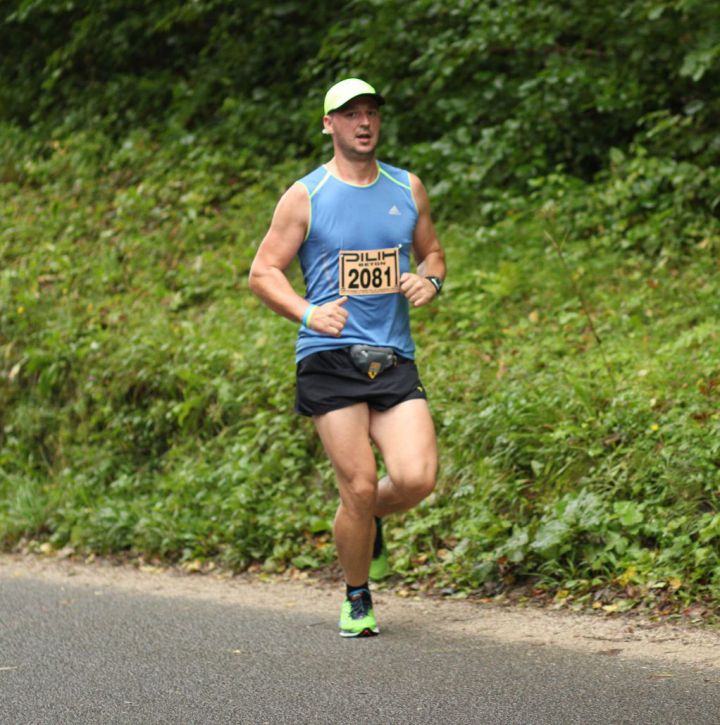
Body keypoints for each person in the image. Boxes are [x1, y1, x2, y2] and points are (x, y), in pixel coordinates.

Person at [248, 78, 446, 637]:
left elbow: (432, 253)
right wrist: (308, 312)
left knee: (416, 479)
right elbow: (262, 273)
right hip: (329, 355)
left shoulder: (406, 187)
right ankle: (357, 596)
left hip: (393, 356)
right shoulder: (305, 196)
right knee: (358, 485)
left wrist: (430, 282)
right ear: (328, 124)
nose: (364, 122)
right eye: (350, 113)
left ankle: (368, 521)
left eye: (372, 113)